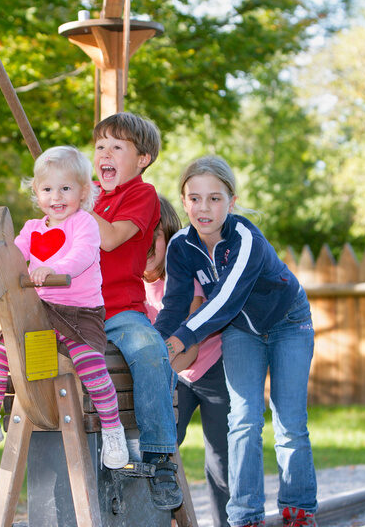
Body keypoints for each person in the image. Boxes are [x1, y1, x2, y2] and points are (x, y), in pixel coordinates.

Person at [153, 156, 318, 527]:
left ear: (231, 200)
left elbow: (225, 299)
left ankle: (298, 509)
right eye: (194, 198)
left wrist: (180, 340)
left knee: (289, 419)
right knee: (243, 418)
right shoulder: (180, 246)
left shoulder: (245, 239)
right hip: (242, 331)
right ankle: (245, 517)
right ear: (184, 201)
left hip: (288, 323)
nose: (204, 207)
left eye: (214, 198)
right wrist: (158, 343)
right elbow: (175, 303)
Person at [0, 145, 129, 470]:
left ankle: (113, 429)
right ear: (36, 192)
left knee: (91, 365)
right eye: (48, 189)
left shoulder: (84, 224)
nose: (57, 196)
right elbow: (13, 258)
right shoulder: (32, 229)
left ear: (83, 191)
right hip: (41, 312)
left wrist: (52, 268)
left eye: (66, 188)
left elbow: (81, 256)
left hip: (79, 313)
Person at [91, 112, 182, 510]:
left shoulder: (141, 196)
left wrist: (77, 204)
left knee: (147, 349)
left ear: (143, 158)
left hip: (120, 310)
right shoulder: (86, 194)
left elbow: (110, 240)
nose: (104, 154)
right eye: (99, 147)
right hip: (79, 309)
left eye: (117, 147)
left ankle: (160, 458)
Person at [144, 195, 230, 527]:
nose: (147, 246)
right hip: (175, 375)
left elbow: (189, 348)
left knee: (220, 460)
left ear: (169, 234)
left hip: (212, 367)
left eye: (154, 237)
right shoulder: (134, 285)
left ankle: (226, 522)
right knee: (159, 447)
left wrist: (152, 377)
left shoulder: (182, 275)